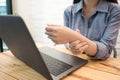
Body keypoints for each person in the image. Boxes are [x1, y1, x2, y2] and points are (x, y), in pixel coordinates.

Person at [45, 0, 120, 60]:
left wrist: (74, 36)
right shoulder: (68, 11)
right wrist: (71, 45)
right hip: (75, 61)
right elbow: (67, 43)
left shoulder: (115, 10)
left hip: (99, 66)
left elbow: (106, 50)